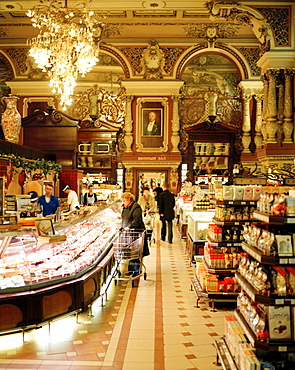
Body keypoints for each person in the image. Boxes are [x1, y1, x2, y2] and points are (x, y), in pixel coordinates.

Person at [121, 192, 150, 277]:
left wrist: (130, 227)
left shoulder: (136, 207)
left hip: (136, 232)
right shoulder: (126, 207)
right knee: (130, 251)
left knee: (135, 251)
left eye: (124, 200)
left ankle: (136, 270)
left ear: (130, 199)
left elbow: (137, 220)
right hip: (129, 233)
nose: (123, 202)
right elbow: (125, 217)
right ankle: (130, 269)